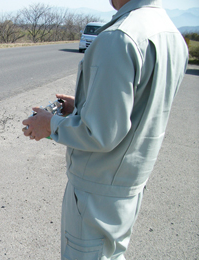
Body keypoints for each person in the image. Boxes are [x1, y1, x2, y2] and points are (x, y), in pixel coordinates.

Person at [22, 0, 188, 259]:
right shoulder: (171, 35)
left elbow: (100, 133)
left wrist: (49, 124)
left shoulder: (119, 37)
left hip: (97, 190)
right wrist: (82, 105)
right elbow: (142, 106)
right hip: (128, 184)